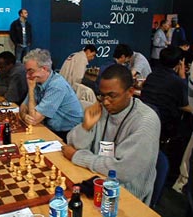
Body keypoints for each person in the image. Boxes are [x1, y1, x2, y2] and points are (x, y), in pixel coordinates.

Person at [62, 64, 161, 205]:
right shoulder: (102, 109)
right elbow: (73, 144)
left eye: (112, 96)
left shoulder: (145, 121)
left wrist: (77, 156)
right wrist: (86, 125)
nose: (106, 102)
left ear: (130, 92)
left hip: (127, 195)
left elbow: (122, 171)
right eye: (102, 95)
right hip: (96, 179)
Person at [141, 46, 193, 185]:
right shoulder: (177, 82)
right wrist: (182, 76)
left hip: (144, 121)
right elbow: (184, 104)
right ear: (179, 63)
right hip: (164, 127)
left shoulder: (152, 76)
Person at [19, 48, 83, 142]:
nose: (27, 76)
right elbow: (23, 107)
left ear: (44, 69)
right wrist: (24, 116)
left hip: (69, 135)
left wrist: (31, 89)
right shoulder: (38, 81)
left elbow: (34, 119)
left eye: (31, 71)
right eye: (27, 71)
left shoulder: (56, 85)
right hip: (50, 128)